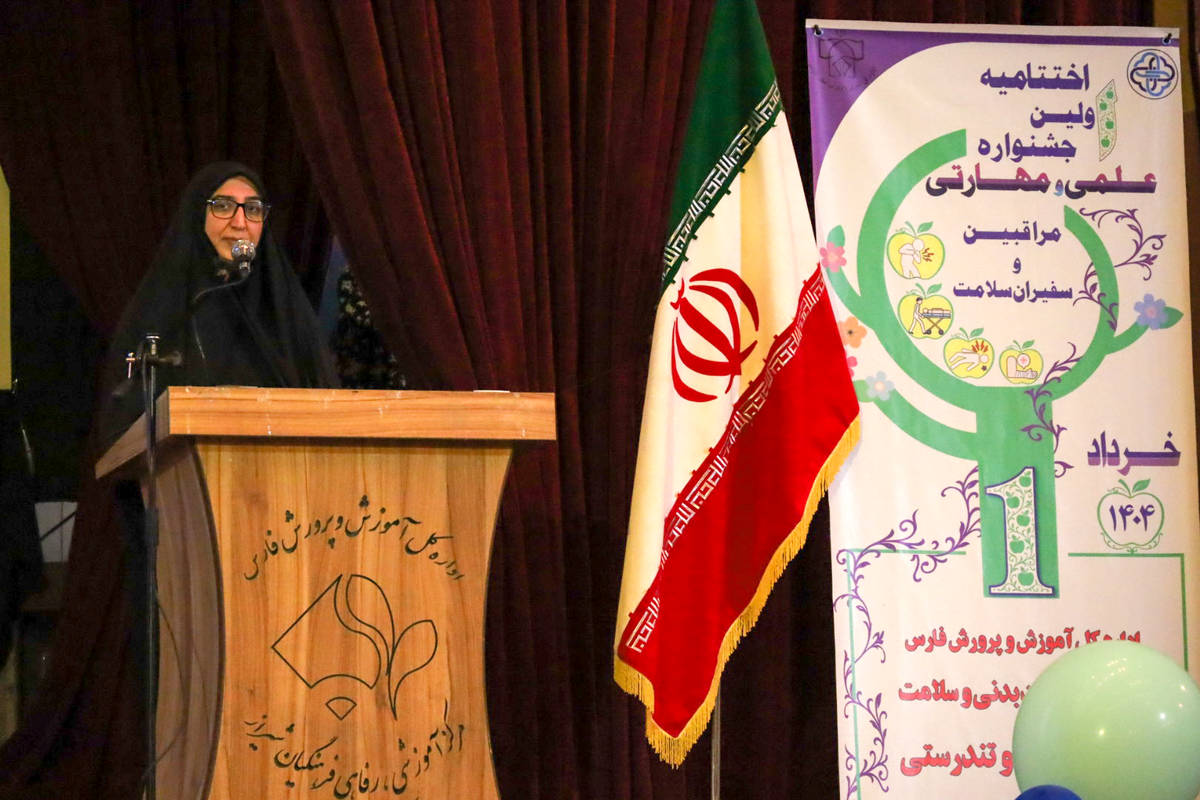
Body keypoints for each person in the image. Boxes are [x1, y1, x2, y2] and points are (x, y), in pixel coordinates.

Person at [98, 161, 337, 445]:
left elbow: (327, 410)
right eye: (223, 206)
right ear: (197, 215)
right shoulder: (166, 311)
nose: (240, 223)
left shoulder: (285, 312)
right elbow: (124, 428)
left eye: (253, 209)